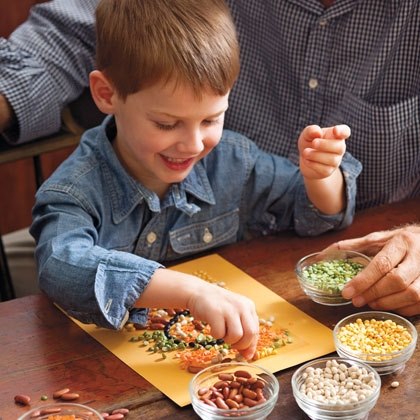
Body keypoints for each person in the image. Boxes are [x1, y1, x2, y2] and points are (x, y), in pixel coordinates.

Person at [1, 0, 419, 314]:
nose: (193, 144)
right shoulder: (75, 189)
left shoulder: (234, 160)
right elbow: (60, 265)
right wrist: (186, 290)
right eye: (167, 124)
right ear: (107, 94)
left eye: (212, 119)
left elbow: (312, 211)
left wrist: (320, 176)